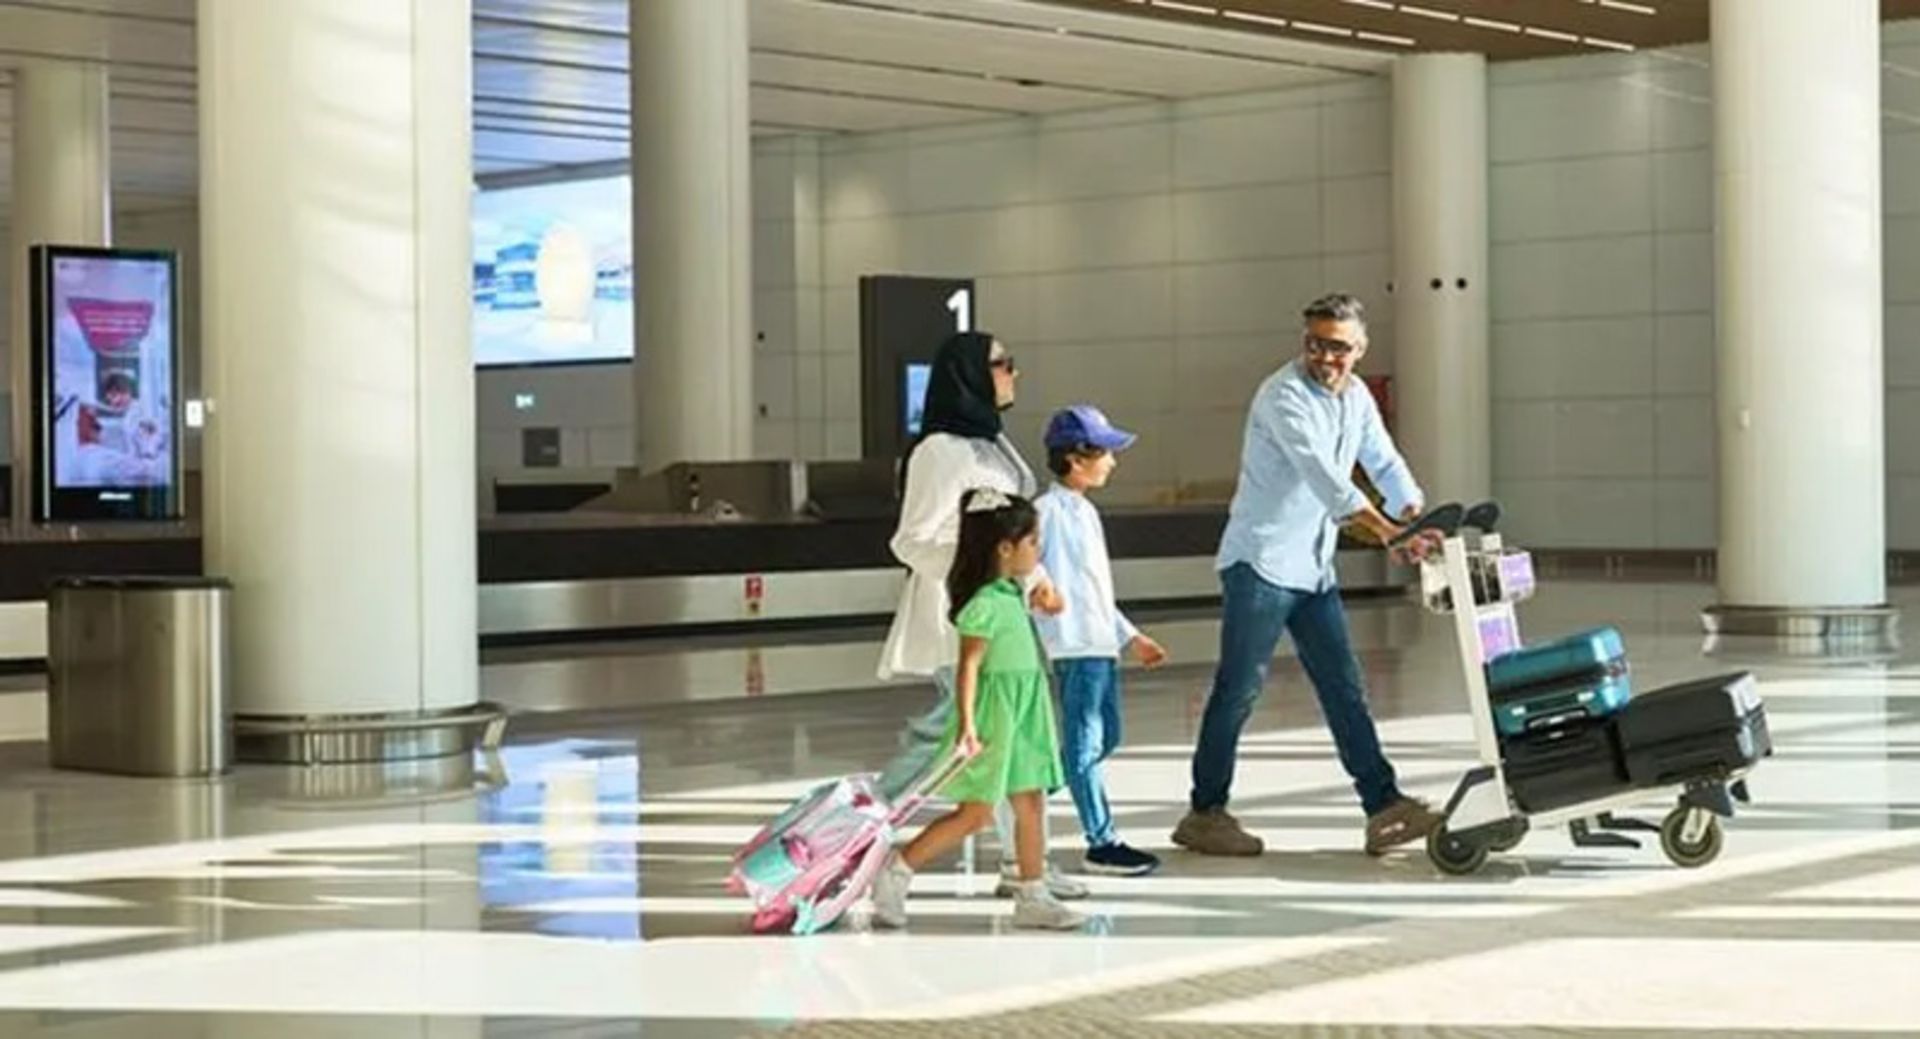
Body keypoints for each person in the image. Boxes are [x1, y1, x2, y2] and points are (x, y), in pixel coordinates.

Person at [1173, 292, 1442, 859]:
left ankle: (1383, 806)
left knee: (1344, 687)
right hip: (1261, 564)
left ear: (1360, 349)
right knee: (1239, 689)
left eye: (1338, 347)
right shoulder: (1283, 396)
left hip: (1312, 567)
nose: (1324, 356)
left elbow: (1383, 460)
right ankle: (1205, 812)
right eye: (1315, 343)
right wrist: (1392, 534)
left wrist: (1413, 510)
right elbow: (1330, 484)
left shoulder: (1356, 395)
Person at [874, 331, 1088, 902]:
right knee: (949, 738)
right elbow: (913, 540)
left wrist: (1034, 580)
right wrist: (984, 575)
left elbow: (1008, 535)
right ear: (970, 373)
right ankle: (860, 833)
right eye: (1002, 364)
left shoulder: (994, 446)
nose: (1012, 373)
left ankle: (1025, 862)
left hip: (1003, 616)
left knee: (1006, 741)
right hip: (960, 618)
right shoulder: (941, 451)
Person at [870, 491, 1083, 931]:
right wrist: (967, 723)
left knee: (1030, 802)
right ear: (1005, 549)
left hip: (1024, 713)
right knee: (977, 813)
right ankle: (898, 868)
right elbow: (969, 666)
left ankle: (1032, 893)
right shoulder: (984, 603)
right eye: (1033, 542)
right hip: (994, 717)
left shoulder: (1011, 595)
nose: (1038, 550)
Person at [1033, 405, 1168, 877]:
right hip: (1073, 647)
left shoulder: (1086, 513)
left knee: (1105, 737)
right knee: (1086, 745)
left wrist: (1130, 637)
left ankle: (1022, 795)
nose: (1112, 461)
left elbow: (1095, 590)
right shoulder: (1044, 511)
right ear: (1075, 458)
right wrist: (1040, 588)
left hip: (1099, 645)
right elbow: (1027, 563)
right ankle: (1102, 840)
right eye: (1105, 452)